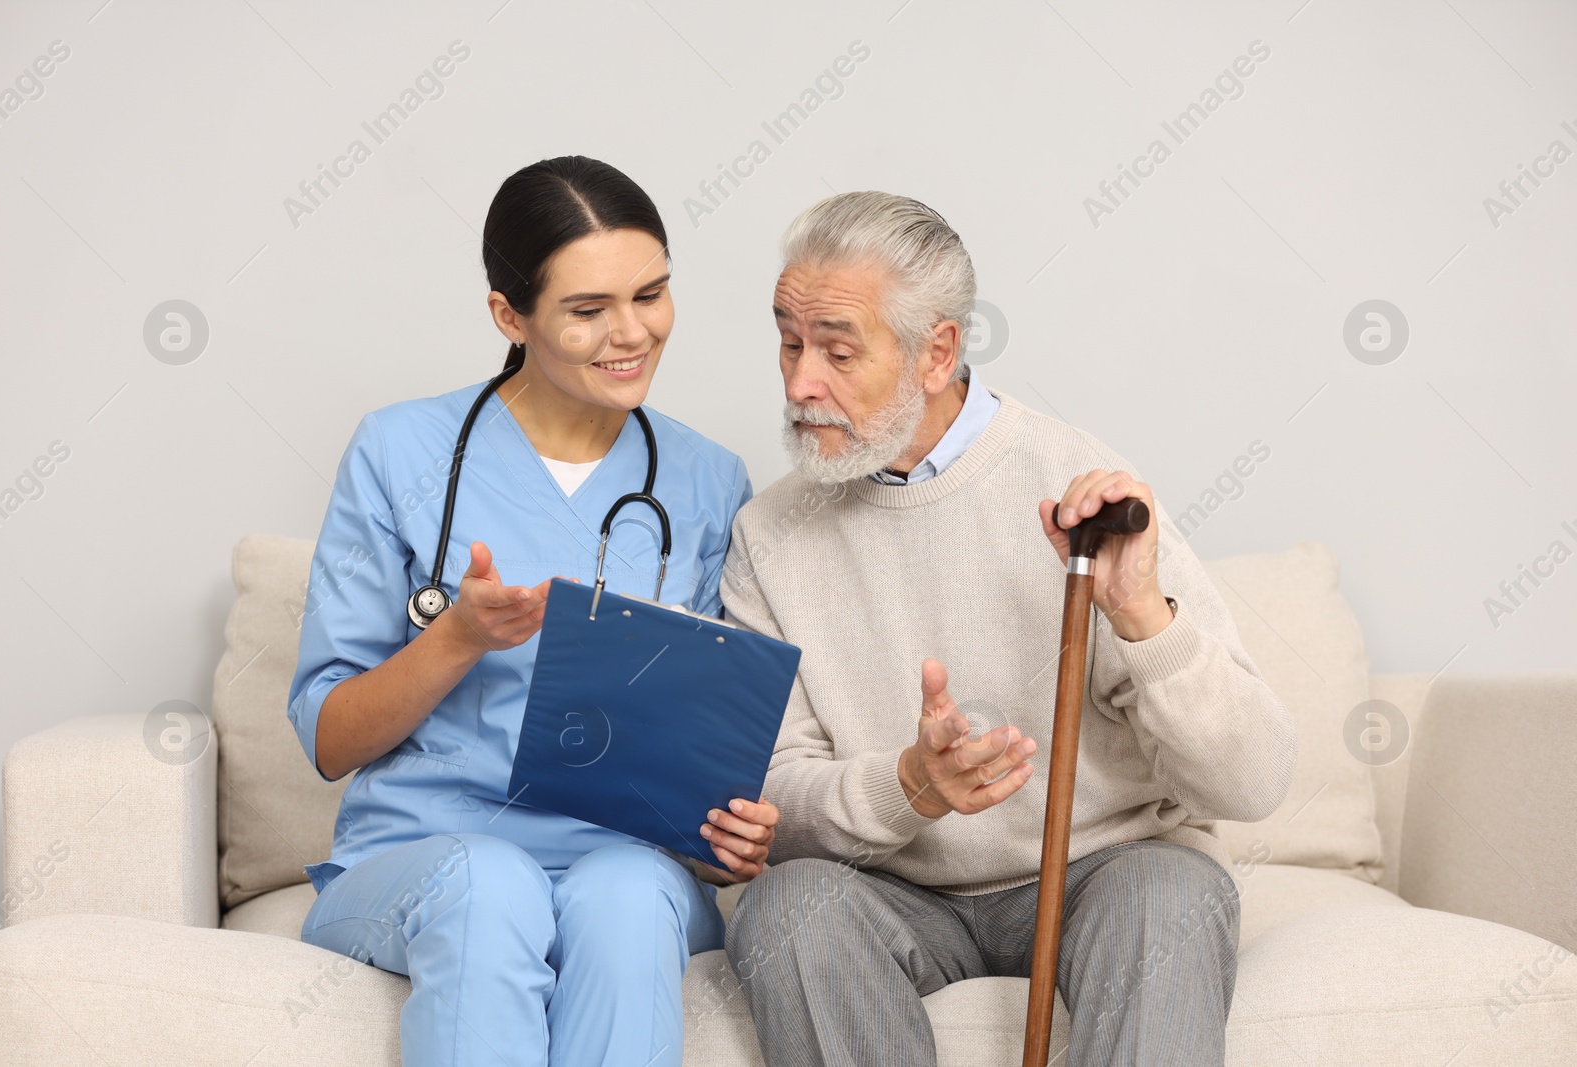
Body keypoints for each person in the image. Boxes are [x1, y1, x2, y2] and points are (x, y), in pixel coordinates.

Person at [720, 191, 1299, 1067]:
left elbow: (1253, 782)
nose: (801, 381)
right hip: (897, 891)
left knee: (1169, 894)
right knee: (787, 907)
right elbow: (775, 795)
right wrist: (911, 784)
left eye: (838, 349)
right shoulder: (771, 535)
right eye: (790, 343)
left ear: (937, 351)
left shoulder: (1079, 483)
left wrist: (1143, 617)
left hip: (1098, 874)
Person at [286, 155, 779, 1067]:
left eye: (652, 293)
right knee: (490, 880)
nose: (631, 333)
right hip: (424, 852)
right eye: (587, 310)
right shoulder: (400, 451)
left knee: (629, 895)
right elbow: (330, 740)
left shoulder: (709, 481)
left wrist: (730, 831)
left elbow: (708, 747)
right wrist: (458, 637)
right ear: (509, 316)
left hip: (623, 856)